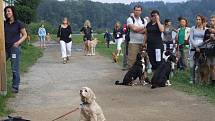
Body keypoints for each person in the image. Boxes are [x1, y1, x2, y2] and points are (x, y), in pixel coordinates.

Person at [4, 6, 27, 93]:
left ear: (13, 12)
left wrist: (18, 43)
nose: (7, 13)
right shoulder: (4, 23)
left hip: (14, 49)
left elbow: (25, 35)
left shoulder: (18, 23)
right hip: (5, 49)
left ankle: (15, 86)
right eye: (6, 12)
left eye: (9, 11)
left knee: (14, 68)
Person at [189, 15, 207, 84]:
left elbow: (206, 40)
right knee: (192, 65)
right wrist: (196, 46)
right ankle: (191, 79)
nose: (198, 21)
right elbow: (191, 38)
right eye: (197, 19)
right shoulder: (193, 28)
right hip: (193, 48)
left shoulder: (205, 29)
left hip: (202, 49)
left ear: (202, 20)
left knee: (200, 65)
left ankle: (199, 80)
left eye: (199, 19)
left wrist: (199, 46)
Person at [203, 15, 215, 85]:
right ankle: (212, 80)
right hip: (208, 50)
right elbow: (204, 41)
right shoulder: (207, 30)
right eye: (211, 20)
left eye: (213, 21)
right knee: (209, 66)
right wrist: (209, 38)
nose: (212, 22)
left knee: (213, 66)